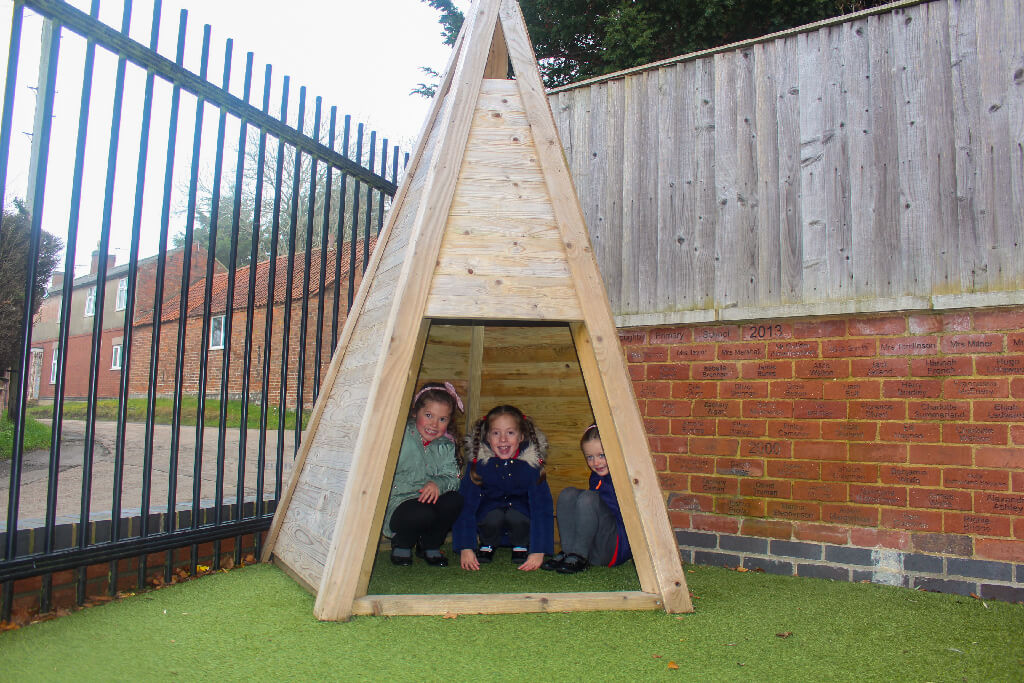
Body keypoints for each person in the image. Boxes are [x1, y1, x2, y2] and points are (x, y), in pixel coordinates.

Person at [453, 405, 554, 571]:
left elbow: (542, 508)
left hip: (522, 521)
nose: (503, 439)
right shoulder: (479, 464)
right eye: (496, 433)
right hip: (489, 522)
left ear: (521, 436)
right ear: (487, 436)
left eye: (510, 433)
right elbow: (466, 506)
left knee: (516, 514)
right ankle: (488, 544)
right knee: (493, 514)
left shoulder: (531, 466)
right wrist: (466, 547)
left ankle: (521, 545)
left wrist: (538, 550)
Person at [382, 382, 465, 567]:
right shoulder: (401, 437)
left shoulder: (446, 445)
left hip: (429, 502)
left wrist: (438, 484)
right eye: (428, 415)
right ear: (415, 413)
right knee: (422, 512)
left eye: (442, 419)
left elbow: (453, 477)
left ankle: (429, 545)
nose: (434, 424)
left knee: (454, 500)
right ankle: (402, 544)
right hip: (400, 503)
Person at [542, 424, 632, 574]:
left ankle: (579, 556)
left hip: (614, 547)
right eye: (590, 457)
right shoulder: (596, 477)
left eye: (601, 455)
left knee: (588, 498)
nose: (596, 463)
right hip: (594, 547)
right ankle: (568, 552)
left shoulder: (623, 477)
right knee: (567, 493)